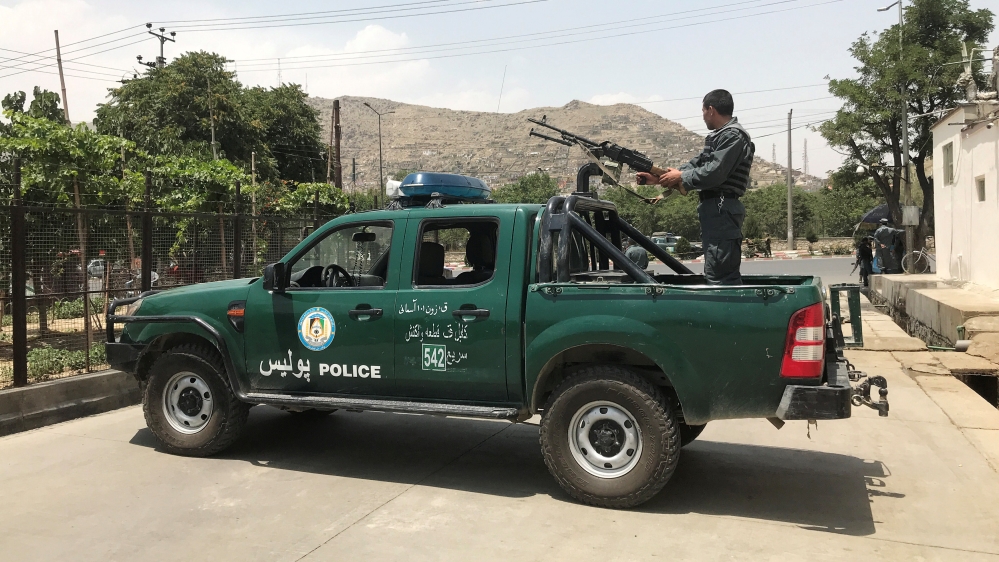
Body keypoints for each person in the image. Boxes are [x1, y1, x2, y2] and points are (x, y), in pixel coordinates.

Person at [637, 89, 754, 285]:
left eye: (702, 111)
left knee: (720, 277)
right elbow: (697, 164)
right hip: (717, 210)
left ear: (710, 110)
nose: (702, 116)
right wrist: (659, 178)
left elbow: (714, 172)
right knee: (716, 271)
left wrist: (680, 176)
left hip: (722, 209)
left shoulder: (734, 136)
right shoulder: (721, 136)